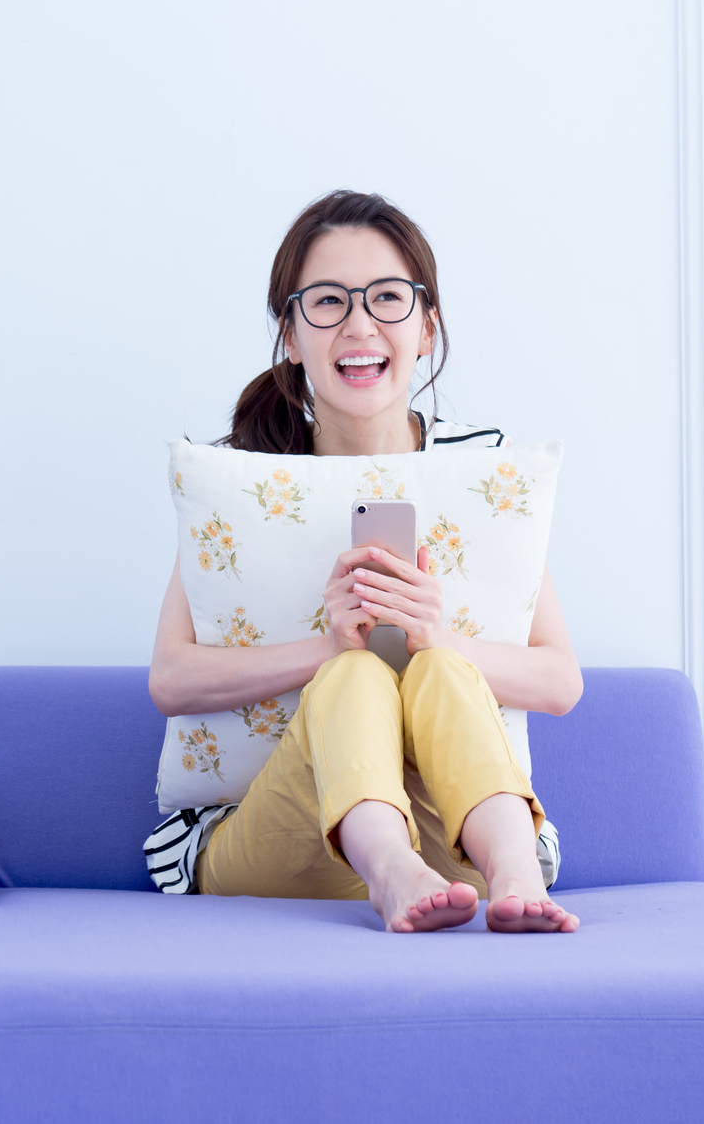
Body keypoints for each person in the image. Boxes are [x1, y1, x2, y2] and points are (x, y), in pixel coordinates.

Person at [147, 191, 583, 933]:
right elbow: (171, 679)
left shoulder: (481, 470)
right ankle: (389, 867)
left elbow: (560, 680)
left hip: (455, 849)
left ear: (426, 325)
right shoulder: (243, 478)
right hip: (278, 842)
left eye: (386, 297)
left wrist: (436, 640)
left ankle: (515, 870)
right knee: (352, 673)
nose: (358, 324)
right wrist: (329, 649)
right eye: (328, 301)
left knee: (442, 668)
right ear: (290, 334)